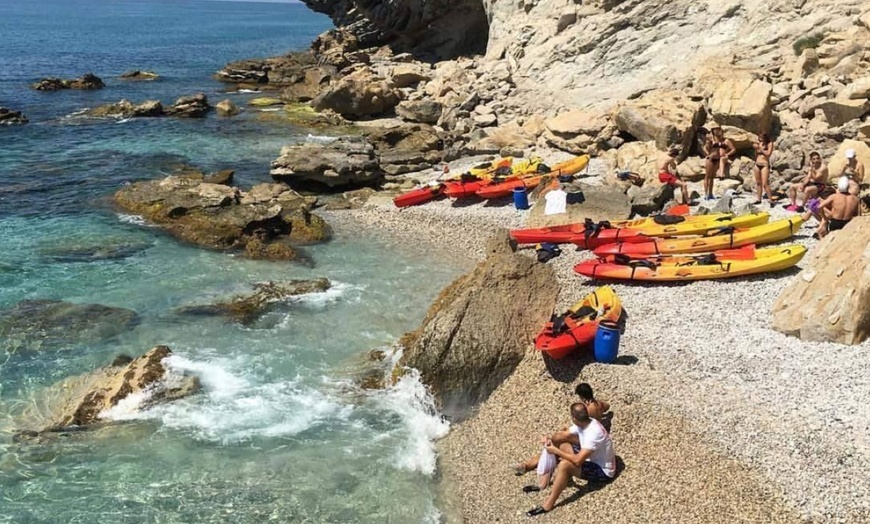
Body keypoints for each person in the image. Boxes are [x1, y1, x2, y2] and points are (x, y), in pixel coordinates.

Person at [526, 404, 616, 517]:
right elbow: (564, 434)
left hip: (602, 471)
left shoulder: (593, 434)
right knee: (560, 440)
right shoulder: (586, 422)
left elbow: (578, 461)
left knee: (565, 465)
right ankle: (544, 483)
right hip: (591, 457)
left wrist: (555, 451)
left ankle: (548, 504)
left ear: (574, 418)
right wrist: (549, 441)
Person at [702, 127, 736, 200]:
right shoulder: (711, 140)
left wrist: (727, 154)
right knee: (707, 176)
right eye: (716, 130)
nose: (718, 131)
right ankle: (706, 194)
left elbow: (732, 149)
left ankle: (710, 193)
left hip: (717, 159)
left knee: (712, 177)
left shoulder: (723, 141)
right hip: (710, 159)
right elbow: (705, 147)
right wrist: (707, 153)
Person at [752, 133, 775, 205]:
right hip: (757, 164)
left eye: (761, 137)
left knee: (765, 183)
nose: (760, 139)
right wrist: (756, 149)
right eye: (759, 137)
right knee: (758, 183)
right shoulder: (759, 143)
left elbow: (768, 154)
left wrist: (761, 149)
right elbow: (756, 154)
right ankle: (759, 199)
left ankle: (771, 200)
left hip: (765, 165)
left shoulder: (770, 144)